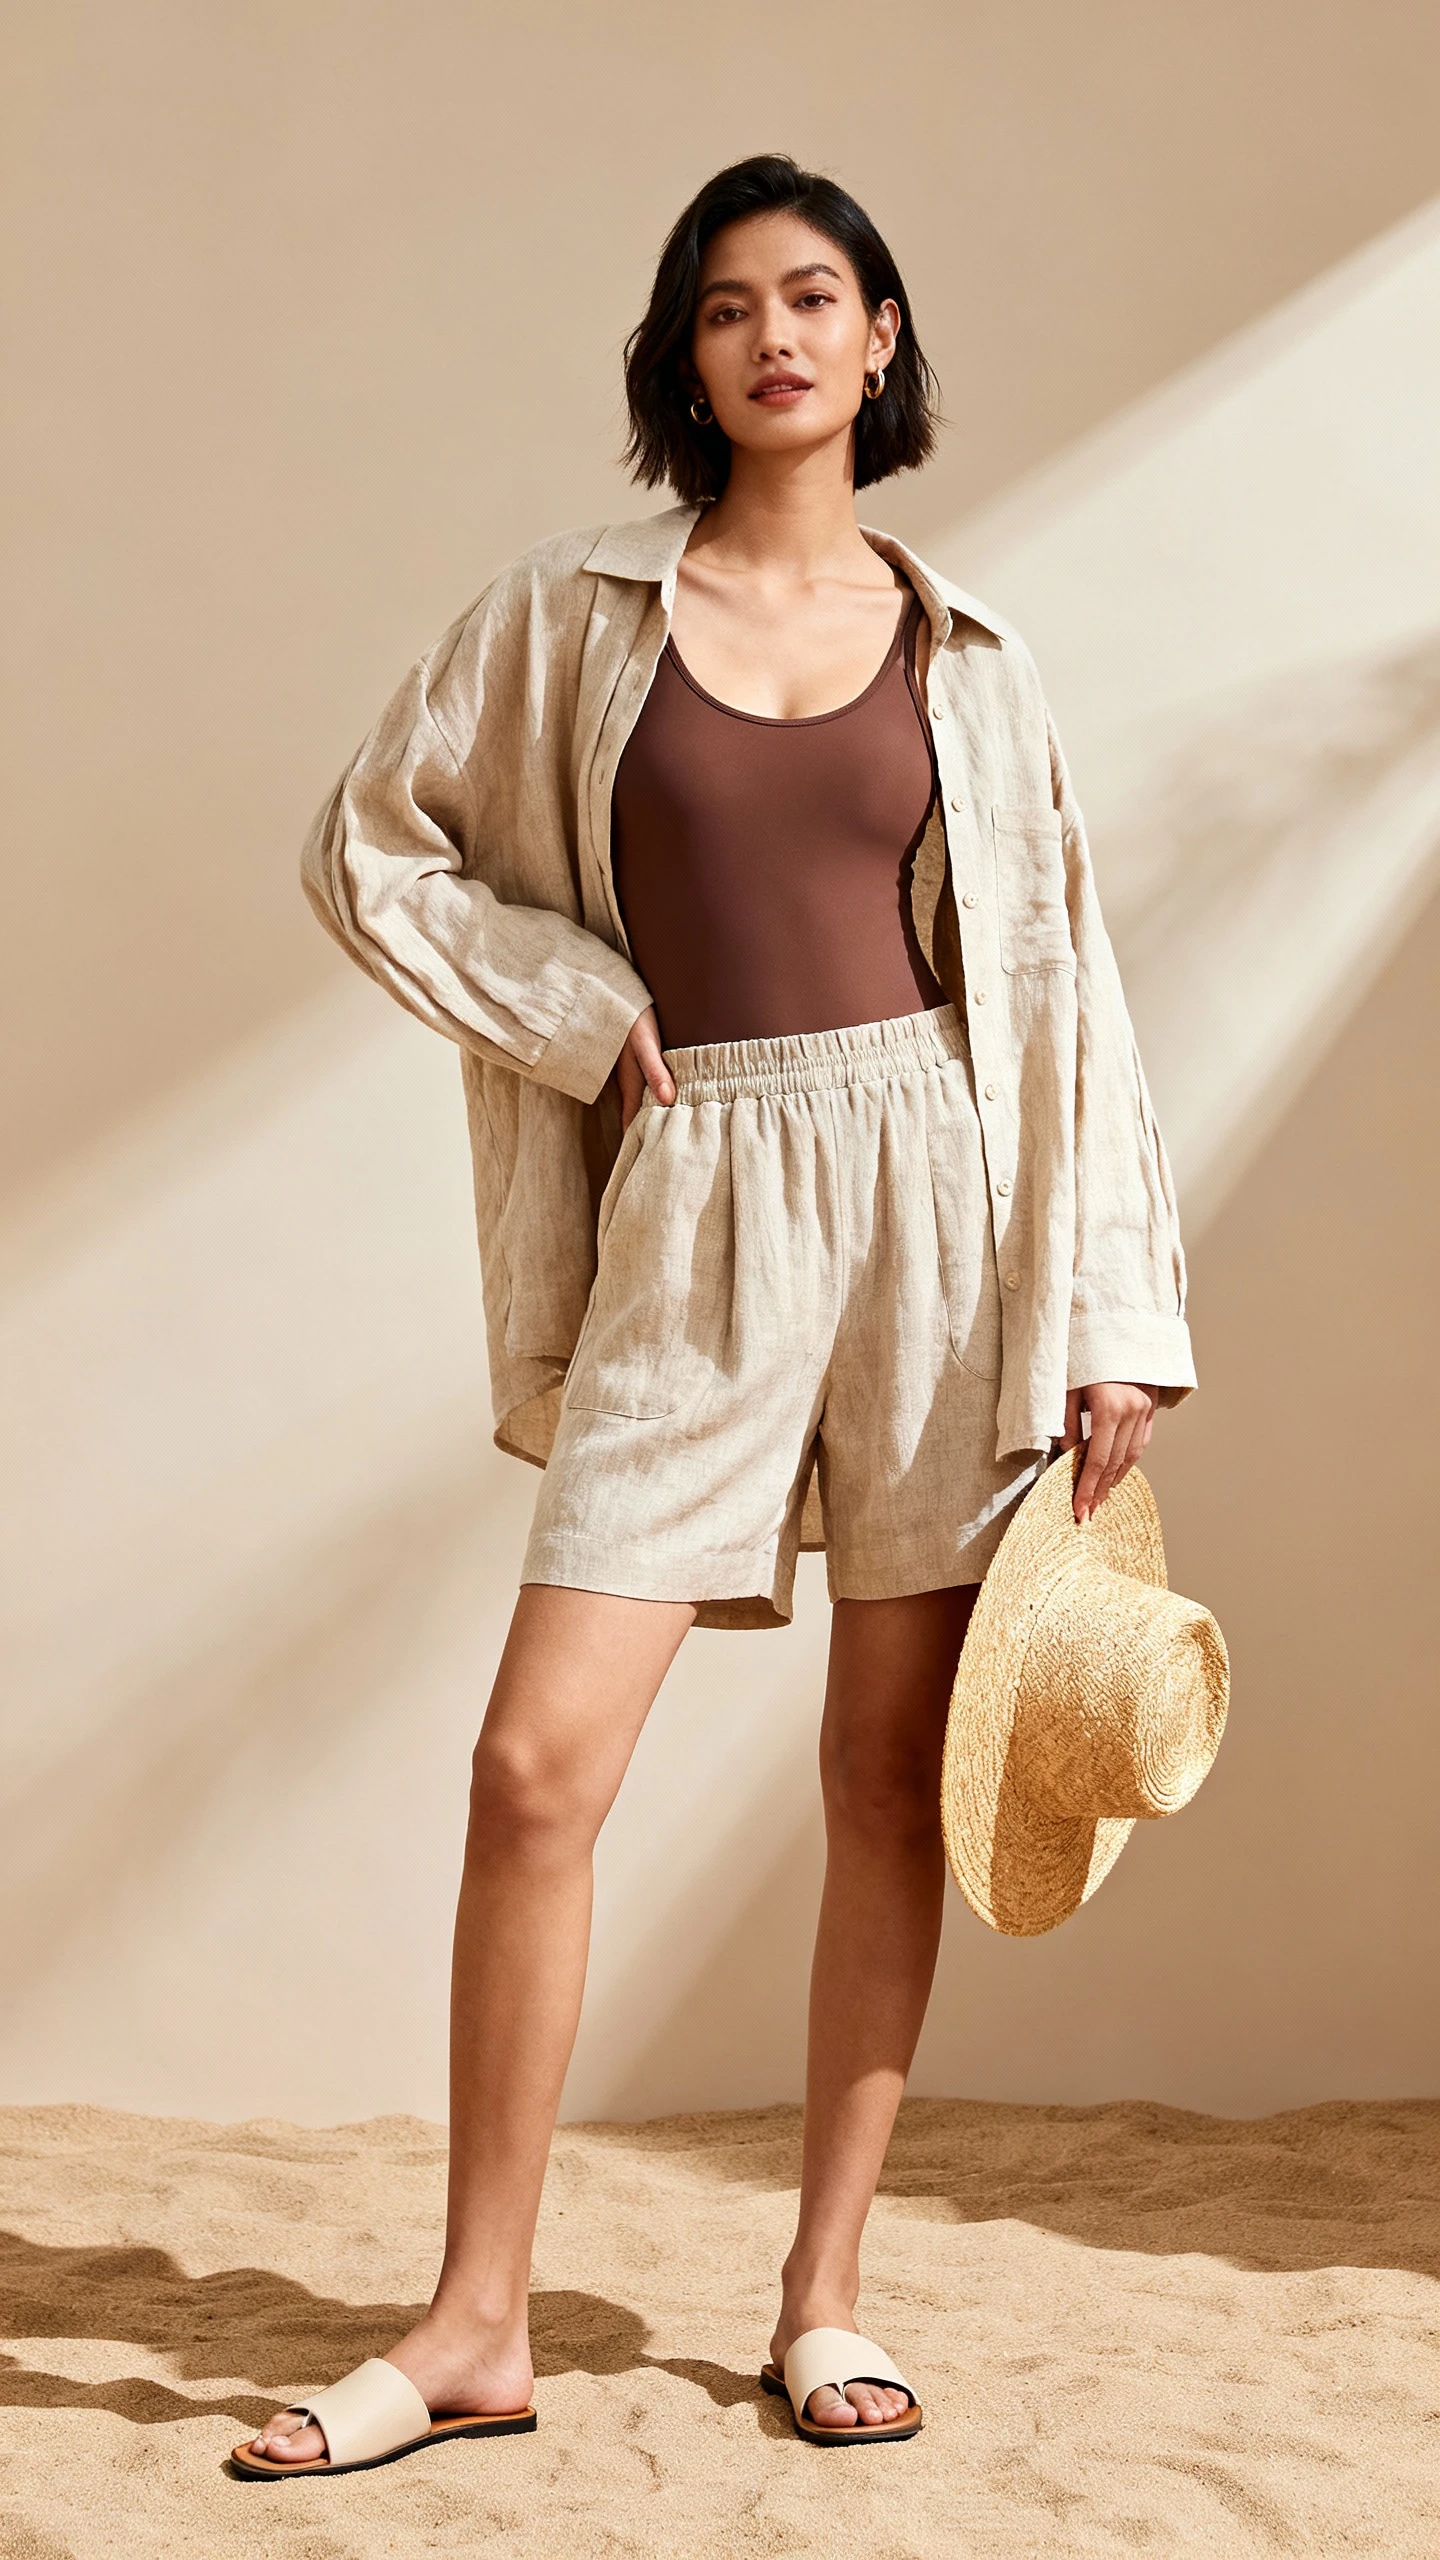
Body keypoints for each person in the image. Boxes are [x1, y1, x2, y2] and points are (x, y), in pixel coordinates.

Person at [240, 152, 1194, 2472]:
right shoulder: (570, 620)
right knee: (535, 1762)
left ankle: (824, 2297)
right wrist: (577, 1005)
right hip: (700, 1196)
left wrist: (1109, 1310)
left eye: (820, 296)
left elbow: (1061, 1005)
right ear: (688, 358)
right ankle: (475, 2314)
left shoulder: (973, 656)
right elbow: (374, 839)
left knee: (888, 1776)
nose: (777, 333)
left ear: (882, 342)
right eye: (730, 304)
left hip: (944, 1213)